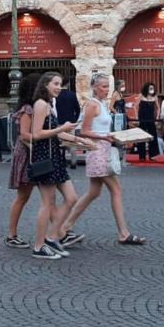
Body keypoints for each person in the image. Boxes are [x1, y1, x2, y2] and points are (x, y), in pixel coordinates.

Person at [61, 73, 146, 245]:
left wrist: (111, 136)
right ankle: (123, 233)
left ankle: (64, 227)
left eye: (108, 86)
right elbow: (83, 131)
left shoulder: (101, 104)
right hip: (98, 150)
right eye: (103, 86)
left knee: (94, 192)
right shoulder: (92, 104)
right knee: (116, 190)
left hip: (102, 148)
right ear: (94, 87)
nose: (106, 90)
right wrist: (105, 136)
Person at [26, 72, 92, 258]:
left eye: (60, 84)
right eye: (55, 83)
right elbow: (37, 134)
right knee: (47, 203)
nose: (58, 87)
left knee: (71, 198)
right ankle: (39, 246)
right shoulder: (40, 104)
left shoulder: (49, 104)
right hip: (44, 157)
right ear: (45, 84)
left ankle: (52, 236)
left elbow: (57, 133)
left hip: (55, 156)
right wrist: (62, 128)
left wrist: (80, 141)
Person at [5, 74, 41, 248]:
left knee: (48, 196)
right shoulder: (28, 109)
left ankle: (61, 231)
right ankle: (11, 234)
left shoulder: (37, 107)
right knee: (23, 196)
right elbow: (24, 134)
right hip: (28, 153)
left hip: (32, 152)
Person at [135, 83, 159, 162]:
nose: (152, 89)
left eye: (153, 88)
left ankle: (152, 155)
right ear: (146, 88)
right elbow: (135, 106)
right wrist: (136, 118)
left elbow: (158, 108)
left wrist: (157, 117)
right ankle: (142, 156)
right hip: (142, 118)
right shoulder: (141, 95)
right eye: (150, 88)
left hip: (151, 119)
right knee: (141, 137)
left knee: (152, 136)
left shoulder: (155, 97)